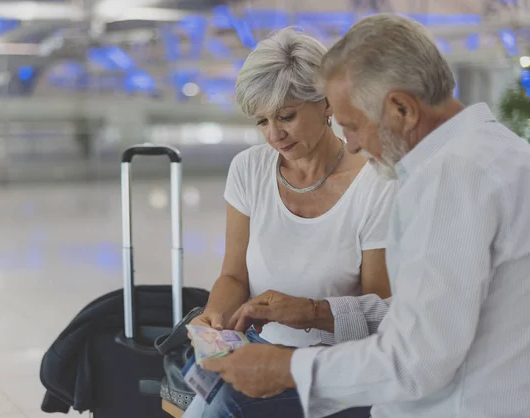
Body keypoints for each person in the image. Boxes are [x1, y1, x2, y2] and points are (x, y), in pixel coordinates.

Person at [201, 13, 530, 418]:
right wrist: (313, 312)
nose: (353, 145)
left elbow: (414, 360)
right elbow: (428, 311)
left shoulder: (449, 179)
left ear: (400, 109)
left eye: (353, 125)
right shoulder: (499, 152)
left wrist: (289, 369)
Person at [182, 27, 396, 418]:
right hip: (256, 351)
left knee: (220, 409)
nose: (274, 135)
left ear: (327, 103)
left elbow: (379, 311)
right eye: (261, 122)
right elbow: (233, 276)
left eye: (286, 116)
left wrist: (304, 324)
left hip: (334, 366)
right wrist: (216, 316)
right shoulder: (249, 170)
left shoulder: (376, 185)